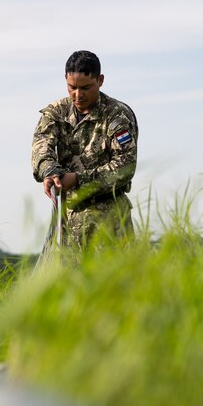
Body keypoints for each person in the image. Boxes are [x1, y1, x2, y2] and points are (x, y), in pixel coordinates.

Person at [32, 50, 138, 254]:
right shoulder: (56, 112)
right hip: (67, 225)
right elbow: (41, 146)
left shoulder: (117, 115)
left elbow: (125, 167)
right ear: (65, 80)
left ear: (100, 80)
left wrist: (77, 179)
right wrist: (50, 172)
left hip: (110, 223)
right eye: (72, 87)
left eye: (85, 88)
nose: (78, 95)